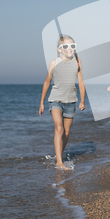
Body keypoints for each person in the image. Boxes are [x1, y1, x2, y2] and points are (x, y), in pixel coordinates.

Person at [39, 35, 86, 170]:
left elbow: (81, 82)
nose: (69, 48)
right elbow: (47, 82)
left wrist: (82, 100)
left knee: (66, 132)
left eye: (72, 46)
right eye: (66, 46)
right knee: (59, 128)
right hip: (55, 99)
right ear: (60, 49)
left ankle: (58, 154)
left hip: (71, 101)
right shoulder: (54, 63)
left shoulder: (77, 62)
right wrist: (42, 102)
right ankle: (59, 162)